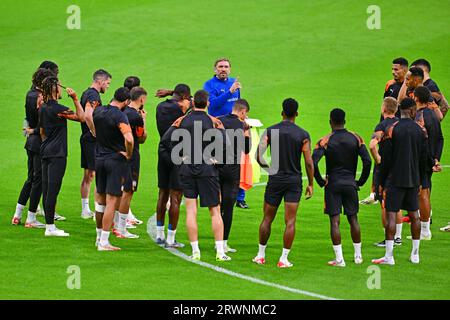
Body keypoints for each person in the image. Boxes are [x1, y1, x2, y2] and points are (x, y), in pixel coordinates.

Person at [253, 98, 314, 268]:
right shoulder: (303, 135)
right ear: (297, 114)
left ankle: (260, 255)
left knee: (267, 218)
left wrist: (270, 169)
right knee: (290, 221)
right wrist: (311, 183)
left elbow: (258, 155)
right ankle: (283, 259)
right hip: (294, 182)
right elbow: (309, 162)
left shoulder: (271, 131)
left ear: (282, 113)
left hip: (275, 180)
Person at [175, 90, 230, 261]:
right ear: (207, 103)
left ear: (193, 103)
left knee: (191, 211)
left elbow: (173, 140)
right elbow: (224, 143)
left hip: (188, 168)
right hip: (207, 169)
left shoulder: (184, 120)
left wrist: (182, 156)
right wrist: (216, 158)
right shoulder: (212, 121)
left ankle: (195, 251)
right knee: (215, 210)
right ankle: (220, 252)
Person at [312, 108, 371, 267]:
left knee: (335, 221)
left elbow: (313, 162)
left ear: (330, 121)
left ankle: (339, 259)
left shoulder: (325, 140)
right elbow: (367, 161)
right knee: (353, 219)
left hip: (333, 185)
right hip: (350, 183)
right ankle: (358, 256)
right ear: (344, 121)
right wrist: (360, 181)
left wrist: (319, 180)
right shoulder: (356, 138)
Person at [372, 98, 428, 265]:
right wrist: (420, 181)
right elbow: (423, 159)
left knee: (391, 215)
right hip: (413, 180)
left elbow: (386, 159)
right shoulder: (421, 131)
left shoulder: (392, 130)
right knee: (414, 215)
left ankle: (389, 256)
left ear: (399, 111)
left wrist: (380, 181)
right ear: (411, 111)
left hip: (394, 179)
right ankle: (415, 254)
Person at [39, 75, 85, 236]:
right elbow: (82, 118)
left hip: (44, 151)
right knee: (53, 190)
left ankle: (48, 225)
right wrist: (75, 99)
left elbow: (42, 131)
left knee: (46, 189)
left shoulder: (43, 107)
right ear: (55, 89)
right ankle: (50, 228)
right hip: (57, 153)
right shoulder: (58, 109)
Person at [12, 66, 56, 227]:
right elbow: (43, 124)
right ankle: (31, 218)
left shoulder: (29, 94)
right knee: (39, 180)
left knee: (30, 179)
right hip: (39, 142)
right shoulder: (40, 98)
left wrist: (31, 130)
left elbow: (29, 119)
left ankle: (17, 214)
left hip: (30, 142)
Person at [361, 58, 408, 205]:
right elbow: (384, 106)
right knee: (379, 158)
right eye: (392, 69)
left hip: (400, 130)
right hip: (386, 128)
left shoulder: (409, 87)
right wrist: (381, 125)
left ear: (405, 70)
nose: (393, 72)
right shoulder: (390, 84)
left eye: (397, 69)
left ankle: (396, 193)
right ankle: (374, 193)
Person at [203, 58, 249, 209]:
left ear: (230, 69)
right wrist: (230, 92)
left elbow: (238, 105)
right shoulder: (209, 85)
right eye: (220, 67)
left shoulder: (234, 84)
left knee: (240, 159)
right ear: (215, 69)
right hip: (218, 129)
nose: (223, 69)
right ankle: (218, 196)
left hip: (235, 127)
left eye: (226, 67)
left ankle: (240, 198)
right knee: (219, 163)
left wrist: (244, 116)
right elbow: (213, 104)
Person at [93, 87, 133, 251]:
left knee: (100, 202)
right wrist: (128, 154)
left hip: (99, 159)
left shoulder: (99, 111)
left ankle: (98, 237)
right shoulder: (120, 115)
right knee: (111, 201)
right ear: (126, 101)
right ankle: (104, 242)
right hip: (114, 160)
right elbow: (129, 139)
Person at [155, 84, 192, 247]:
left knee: (162, 194)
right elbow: (198, 100)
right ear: (184, 98)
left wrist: (172, 93)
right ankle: (171, 238)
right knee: (176, 196)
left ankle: (159, 234)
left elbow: (187, 98)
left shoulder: (160, 106)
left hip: (163, 152)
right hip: (179, 154)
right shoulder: (182, 111)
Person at [112, 87, 148, 239]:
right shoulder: (136, 117)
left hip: (116, 154)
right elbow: (141, 138)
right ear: (141, 99)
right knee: (128, 191)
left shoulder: (121, 112)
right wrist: (144, 121)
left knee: (117, 191)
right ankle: (121, 228)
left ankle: (114, 224)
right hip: (131, 156)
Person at [217, 99, 251, 254]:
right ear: (243, 111)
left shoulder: (220, 121)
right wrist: (247, 133)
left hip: (216, 168)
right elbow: (247, 149)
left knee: (216, 207)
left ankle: (217, 241)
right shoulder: (242, 125)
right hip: (232, 170)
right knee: (228, 207)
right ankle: (223, 244)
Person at [410, 86, 443, 240]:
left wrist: (430, 160)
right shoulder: (434, 115)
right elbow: (440, 139)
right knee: (426, 191)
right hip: (430, 159)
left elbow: (422, 142)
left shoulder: (419, 117)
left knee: (422, 194)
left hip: (422, 160)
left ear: (416, 98)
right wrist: (436, 159)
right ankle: (424, 229)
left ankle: (424, 231)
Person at [369, 97, 403, 247]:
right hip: (400, 168)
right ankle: (398, 237)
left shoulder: (381, 126)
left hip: (385, 169)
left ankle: (388, 238)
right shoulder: (401, 124)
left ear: (383, 109)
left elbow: (372, 145)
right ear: (395, 110)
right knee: (397, 204)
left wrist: (378, 159)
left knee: (384, 202)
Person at [79, 69, 112, 219]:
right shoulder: (93, 95)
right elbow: (87, 115)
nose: (108, 86)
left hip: (85, 138)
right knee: (97, 175)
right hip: (91, 140)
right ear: (100, 81)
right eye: (107, 83)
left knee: (89, 174)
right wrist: (95, 132)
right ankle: (97, 210)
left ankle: (85, 209)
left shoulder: (86, 93)